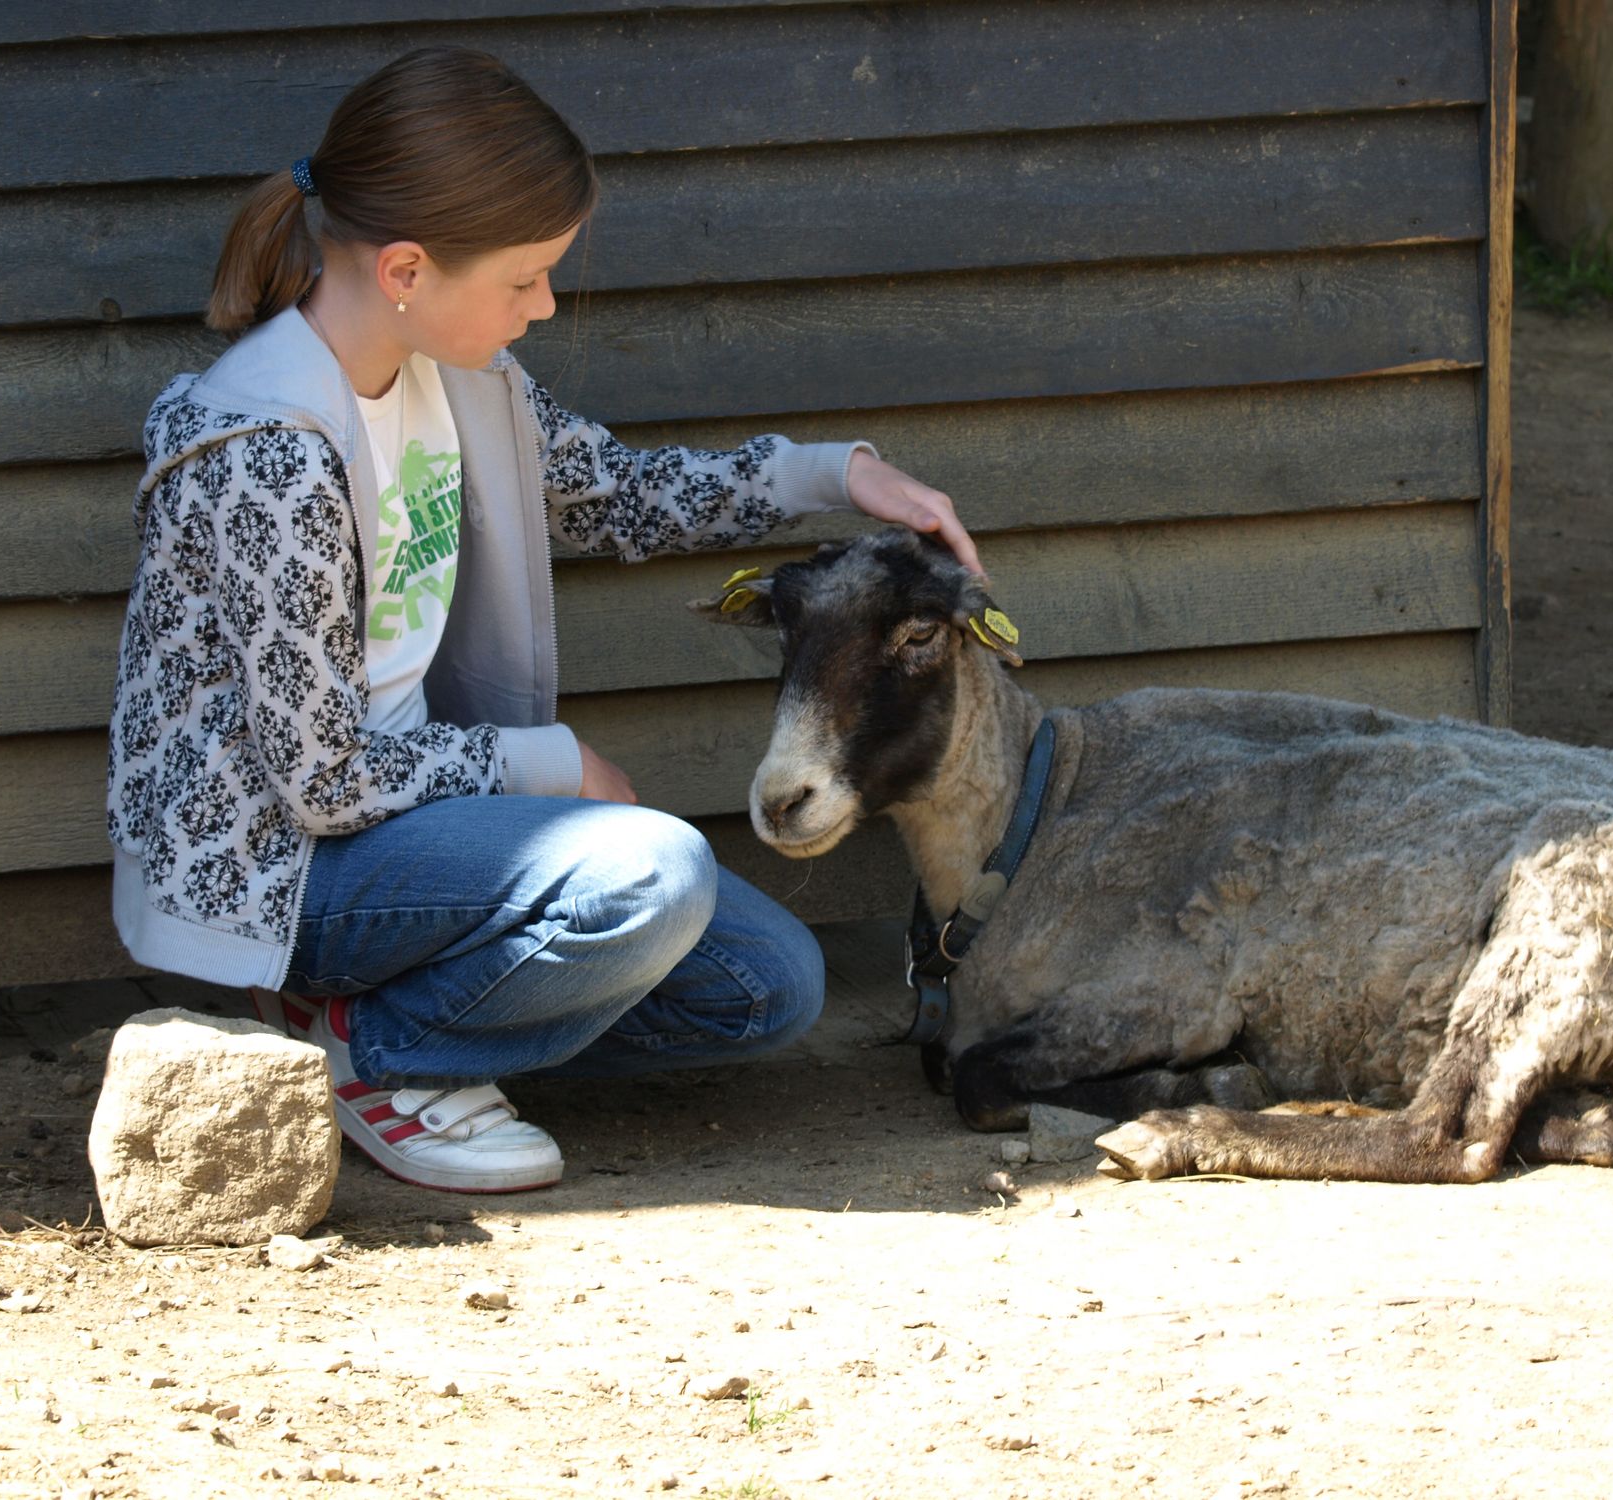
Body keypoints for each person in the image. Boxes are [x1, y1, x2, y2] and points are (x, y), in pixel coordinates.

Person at [105, 45, 980, 1194]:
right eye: (523, 278)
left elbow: (614, 495)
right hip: (284, 863)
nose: (544, 305)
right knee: (650, 873)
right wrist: (550, 762)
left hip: (408, 832)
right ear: (408, 267)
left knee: (769, 984)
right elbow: (318, 778)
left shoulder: (461, 376)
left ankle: (360, 1020)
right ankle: (388, 1061)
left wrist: (838, 475)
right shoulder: (266, 448)